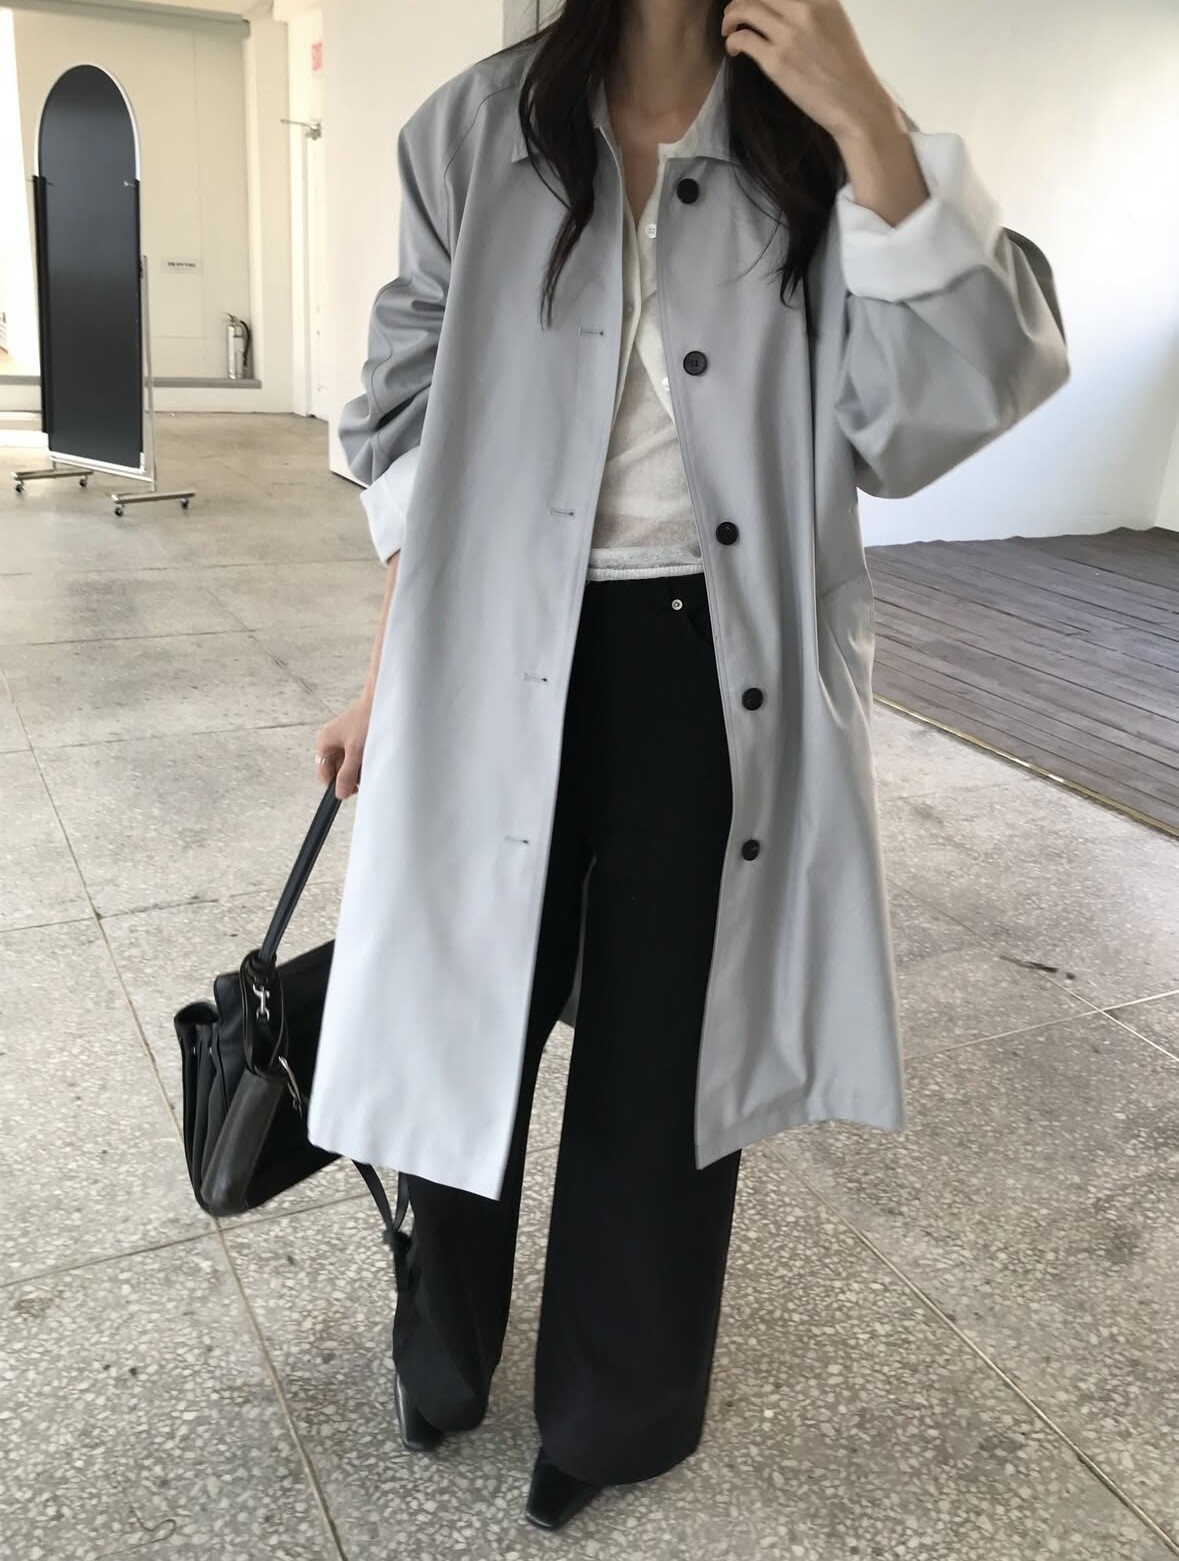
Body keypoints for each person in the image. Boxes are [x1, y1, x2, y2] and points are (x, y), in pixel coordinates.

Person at [308, 0, 1069, 1533]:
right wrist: (387, 672)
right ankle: (439, 1345)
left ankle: (618, 1404)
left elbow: (943, 404)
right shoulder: (476, 129)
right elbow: (404, 422)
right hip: (489, 657)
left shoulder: (812, 145)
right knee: (464, 1008)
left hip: (708, 673)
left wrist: (869, 119)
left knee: (663, 1063)